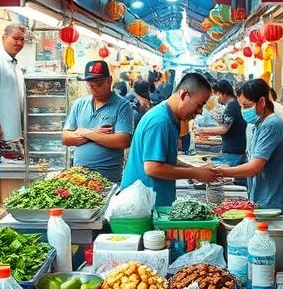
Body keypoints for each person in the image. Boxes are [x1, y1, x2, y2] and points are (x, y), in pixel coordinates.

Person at [121, 72, 220, 205]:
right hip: (142, 207)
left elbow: (167, 158)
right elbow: (153, 168)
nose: (201, 111)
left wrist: (195, 169)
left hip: (153, 204)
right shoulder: (160, 121)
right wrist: (195, 173)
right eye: (199, 105)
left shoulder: (171, 119)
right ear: (184, 95)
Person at [213, 79, 283, 214]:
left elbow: (255, 167)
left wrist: (219, 172)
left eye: (247, 106)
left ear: (262, 102)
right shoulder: (256, 125)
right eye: (241, 106)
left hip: (273, 203)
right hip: (262, 199)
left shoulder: (272, 124)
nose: (243, 110)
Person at [62, 61, 135, 183]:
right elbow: (66, 138)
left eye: (99, 84)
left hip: (107, 178)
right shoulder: (79, 104)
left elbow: (122, 141)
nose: (94, 88)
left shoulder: (122, 106)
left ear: (109, 81)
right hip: (78, 177)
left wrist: (84, 132)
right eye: (90, 85)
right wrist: (96, 134)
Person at [0, 24, 27, 159]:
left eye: (22, 39)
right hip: (0, 132)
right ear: (4, 37)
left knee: (8, 171)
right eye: (16, 38)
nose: (19, 43)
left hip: (15, 131)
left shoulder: (15, 64)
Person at [195, 79, 247, 167]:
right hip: (235, 150)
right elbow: (228, 126)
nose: (216, 97)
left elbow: (224, 129)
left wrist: (201, 130)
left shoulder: (231, 106)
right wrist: (219, 120)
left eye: (217, 94)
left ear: (224, 93)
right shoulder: (233, 104)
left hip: (233, 152)